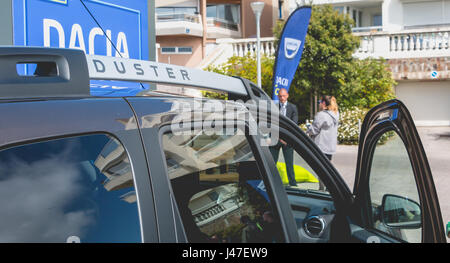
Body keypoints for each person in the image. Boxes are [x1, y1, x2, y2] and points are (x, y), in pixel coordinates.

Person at [270, 88, 298, 187]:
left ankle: (293, 183)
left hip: (288, 141)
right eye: (280, 96)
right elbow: (271, 123)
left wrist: (285, 137)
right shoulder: (274, 107)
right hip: (275, 139)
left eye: (284, 96)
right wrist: (278, 137)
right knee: (271, 163)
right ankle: (271, 182)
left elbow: (294, 125)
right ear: (278, 96)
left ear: (287, 96)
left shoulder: (293, 108)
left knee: (289, 164)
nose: (282, 98)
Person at [306, 95, 339, 161]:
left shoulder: (321, 115)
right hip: (329, 148)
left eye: (319, 102)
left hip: (320, 147)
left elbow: (314, 130)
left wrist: (308, 128)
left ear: (323, 103)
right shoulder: (336, 114)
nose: (319, 104)